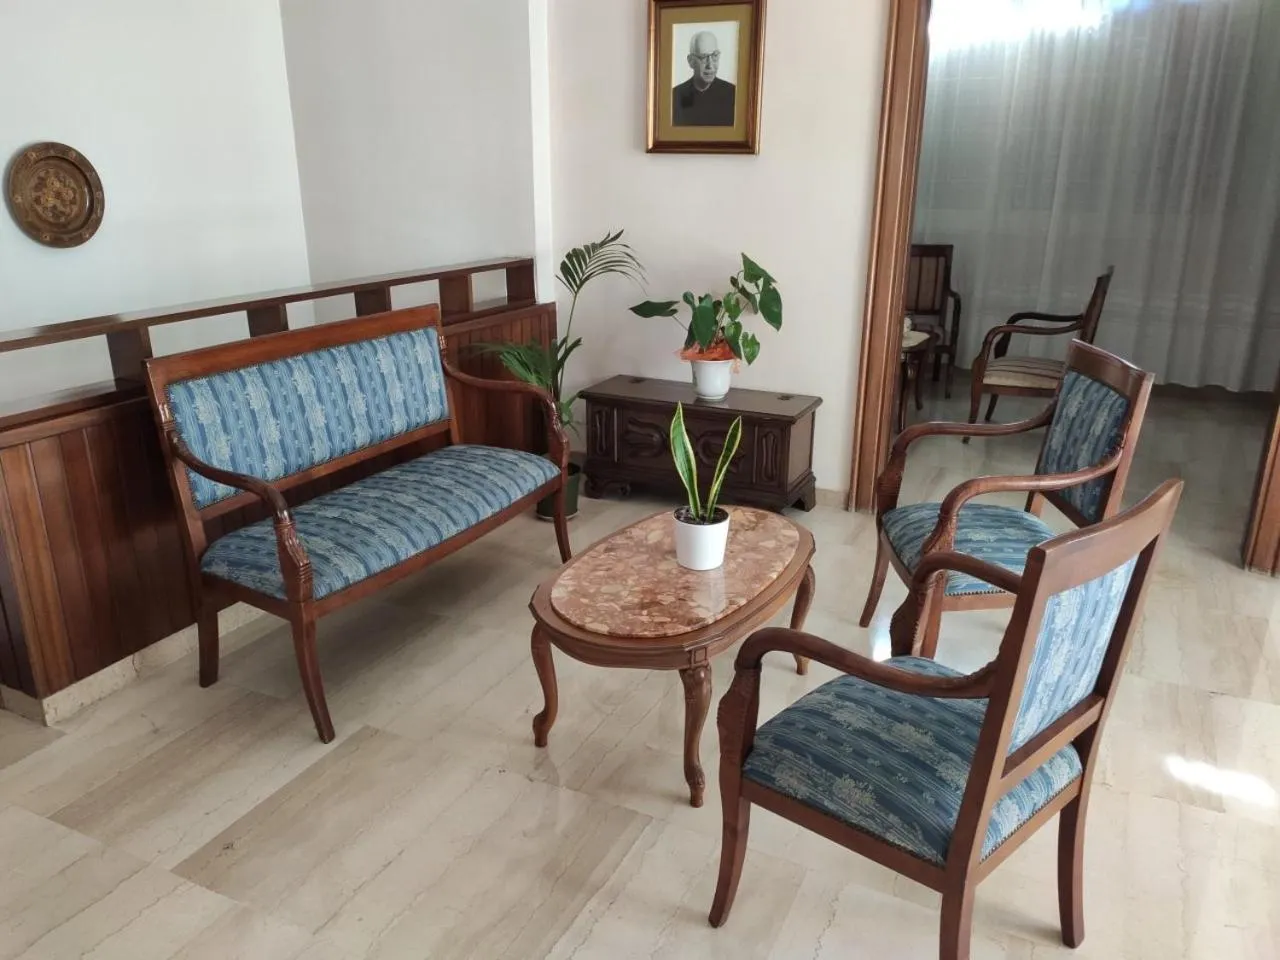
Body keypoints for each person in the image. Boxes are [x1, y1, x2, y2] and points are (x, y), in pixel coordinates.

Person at [673, 30, 736, 127]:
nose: (710, 65)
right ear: (691, 61)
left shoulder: (733, 94)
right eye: (703, 57)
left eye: (714, 55)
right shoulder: (674, 96)